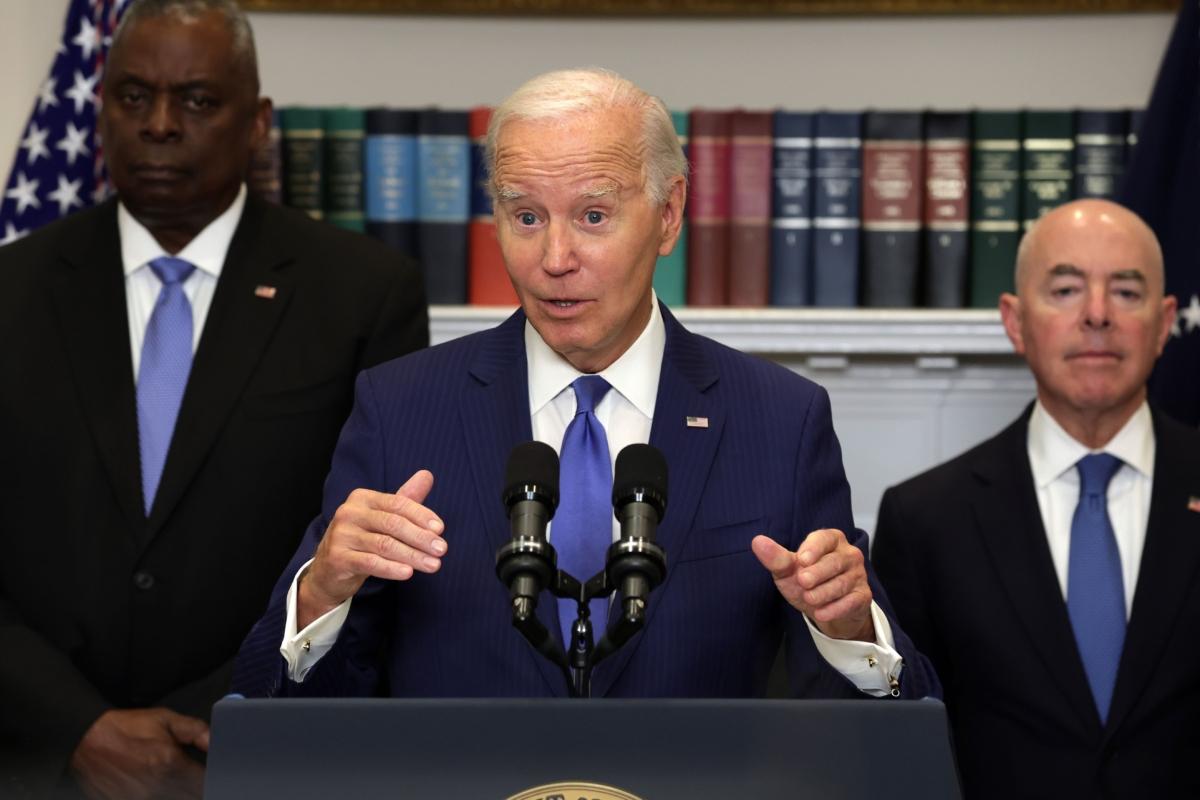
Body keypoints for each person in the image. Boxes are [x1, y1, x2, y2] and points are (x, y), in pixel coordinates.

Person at [232, 68, 938, 705]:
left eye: (593, 216)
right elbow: (287, 713)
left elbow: (879, 736)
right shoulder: (399, 409)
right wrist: (321, 596)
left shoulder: (780, 420)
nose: (554, 259)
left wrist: (849, 631)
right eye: (527, 217)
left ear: (668, 215)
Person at [0, 1, 427, 798]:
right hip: (33, 759)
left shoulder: (362, 295)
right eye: (133, 97)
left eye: (197, 100)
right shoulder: (12, 291)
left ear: (257, 121)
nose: (160, 125)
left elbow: (373, 545)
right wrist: (78, 727)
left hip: (260, 754)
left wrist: (213, 721)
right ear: (101, 109)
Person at [872, 199, 1199, 798]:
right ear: (1016, 321)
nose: (1097, 315)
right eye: (1068, 289)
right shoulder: (926, 520)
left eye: (1126, 293)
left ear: (1165, 321)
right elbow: (899, 740)